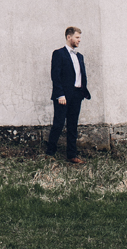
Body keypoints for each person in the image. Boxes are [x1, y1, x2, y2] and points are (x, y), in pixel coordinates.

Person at [46, 26, 91, 164]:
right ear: (68, 37)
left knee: (73, 126)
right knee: (58, 124)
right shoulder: (59, 54)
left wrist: (82, 92)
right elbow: (55, 75)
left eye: (80, 38)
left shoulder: (79, 56)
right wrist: (60, 95)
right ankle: (49, 153)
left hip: (77, 95)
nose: (79, 40)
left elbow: (81, 76)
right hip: (63, 96)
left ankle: (72, 155)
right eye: (77, 37)